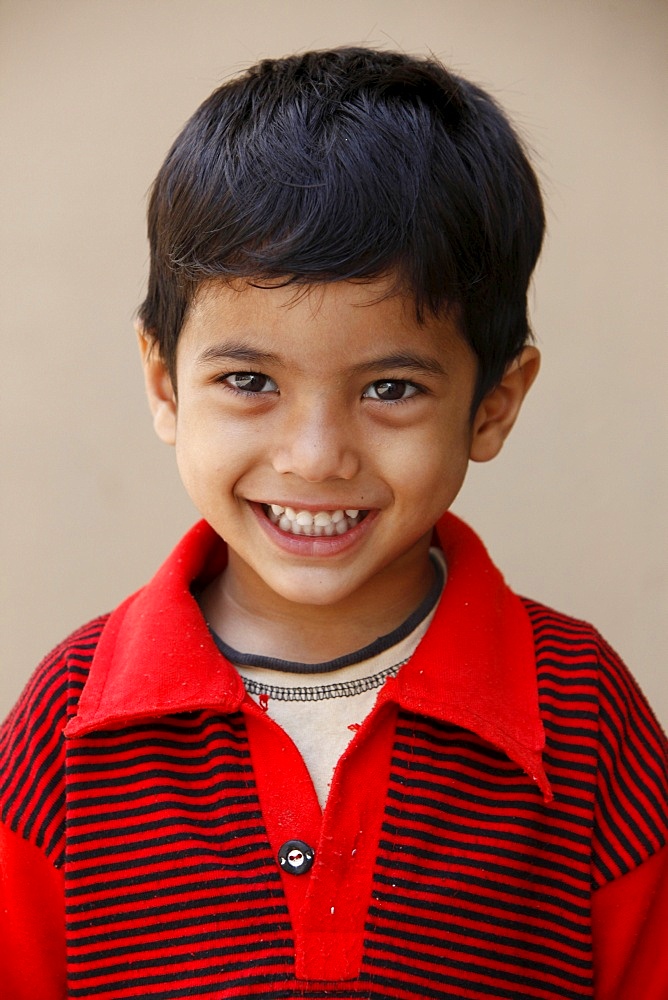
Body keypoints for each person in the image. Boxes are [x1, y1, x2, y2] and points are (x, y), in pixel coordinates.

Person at [1, 47, 666, 1000]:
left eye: (390, 388)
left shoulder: (585, 719)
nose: (315, 457)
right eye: (249, 382)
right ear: (163, 384)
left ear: (493, 405)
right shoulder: (68, 729)